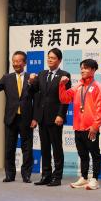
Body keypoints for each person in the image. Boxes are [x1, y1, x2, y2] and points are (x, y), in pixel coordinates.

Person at [0, 51, 35, 183]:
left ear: (24, 63)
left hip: (26, 118)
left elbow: (37, 98)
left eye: (18, 61)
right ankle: (9, 175)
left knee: (27, 148)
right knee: (9, 148)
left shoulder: (31, 77)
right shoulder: (7, 78)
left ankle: (26, 175)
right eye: (13, 61)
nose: (15, 64)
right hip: (10, 118)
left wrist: (35, 118)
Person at [59, 59, 101, 190]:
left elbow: (100, 109)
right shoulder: (78, 86)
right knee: (82, 154)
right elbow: (64, 98)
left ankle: (95, 179)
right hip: (78, 127)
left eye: (85, 68)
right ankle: (84, 177)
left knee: (95, 154)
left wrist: (95, 126)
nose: (82, 70)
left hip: (91, 128)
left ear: (93, 70)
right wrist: (62, 86)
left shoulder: (99, 87)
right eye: (81, 68)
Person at [28, 48, 71, 187]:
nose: (49, 60)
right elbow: (34, 93)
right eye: (48, 57)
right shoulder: (41, 74)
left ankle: (57, 177)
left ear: (59, 60)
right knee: (44, 148)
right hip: (42, 118)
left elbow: (65, 99)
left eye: (52, 58)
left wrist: (60, 115)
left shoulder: (64, 75)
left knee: (56, 148)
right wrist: (31, 82)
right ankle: (46, 175)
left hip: (55, 118)